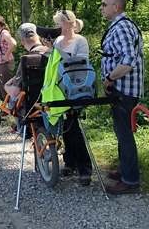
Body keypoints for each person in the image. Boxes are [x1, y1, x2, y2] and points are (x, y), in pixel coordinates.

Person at [100, 0, 144, 194]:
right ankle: (125, 170)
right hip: (120, 89)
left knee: (125, 135)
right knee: (121, 131)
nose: (101, 8)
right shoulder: (118, 26)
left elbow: (128, 62)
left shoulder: (123, 28)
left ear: (116, 7)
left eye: (104, 4)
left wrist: (109, 79)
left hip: (123, 90)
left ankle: (130, 180)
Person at [52, 10, 93, 186]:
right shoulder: (58, 41)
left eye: (60, 23)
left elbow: (80, 64)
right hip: (61, 87)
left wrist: (58, 52)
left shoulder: (80, 41)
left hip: (78, 86)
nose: (58, 26)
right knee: (66, 126)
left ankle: (84, 168)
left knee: (74, 127)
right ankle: (70, 162)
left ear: (69, 23)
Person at [3, 23, 48, 108]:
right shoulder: (52, 54)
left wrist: (6, 86)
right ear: (38, 37)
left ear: (22, 42)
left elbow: (15, 92)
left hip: (32, 106)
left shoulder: (27, 60)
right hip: (53, 103)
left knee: (12, 99)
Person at [0, 15, 16, 99]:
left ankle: (9, 107)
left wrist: (6, 55)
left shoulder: (4, 33)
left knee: (5, 86)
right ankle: (2, 107)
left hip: (5, 63)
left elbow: (13, 44)